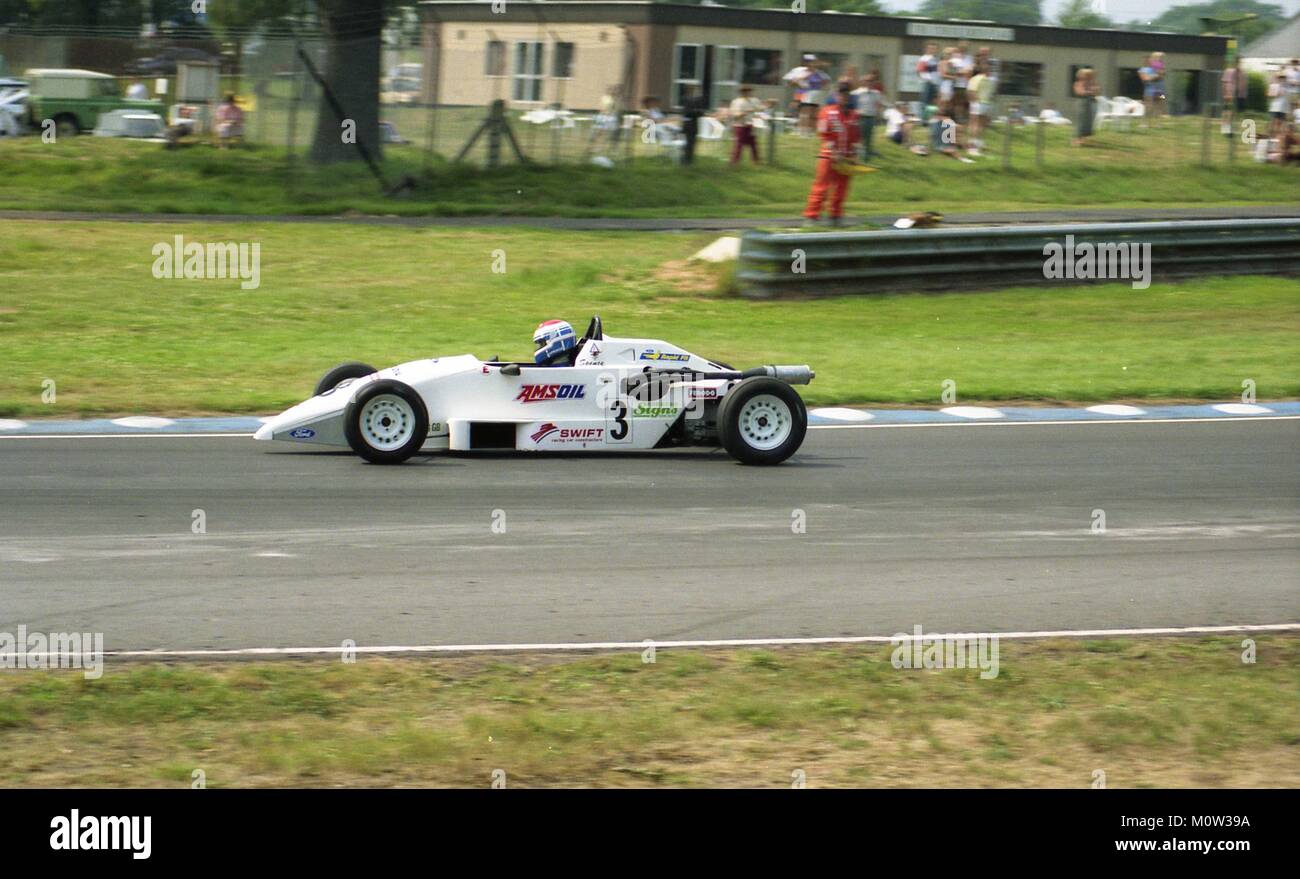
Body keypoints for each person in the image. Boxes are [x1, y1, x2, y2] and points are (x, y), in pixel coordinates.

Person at [802, 81, 859, 227]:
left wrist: (854, 154)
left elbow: (855, 137)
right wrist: (833, 151)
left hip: (845, 158)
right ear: (835, 94)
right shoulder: (826, 112)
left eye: (846, 94)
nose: (843, 97)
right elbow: (823, 134)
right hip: (828, 156)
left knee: (842, 188)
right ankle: (811, 216)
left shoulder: (853, 115)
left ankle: (836, 215)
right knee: (822, 186)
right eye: (840, 93)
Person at [852, 71, 884, 160]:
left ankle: (866, 158)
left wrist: (878, 117)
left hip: (871, 118)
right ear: (864, 82)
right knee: (859, 138)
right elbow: (852, 105)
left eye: (872, 81)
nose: (870, 82)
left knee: (868, 139)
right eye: (868, 81)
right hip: (860, 118)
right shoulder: (857, 93)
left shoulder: (877, 93)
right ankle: (857, 157)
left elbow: (878, 105)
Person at [728, 85, 762, 164]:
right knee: (739, 144)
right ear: (741, 92)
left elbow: (760, 108)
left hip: (749, 125)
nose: (748, 93)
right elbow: (735, 115)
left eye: (749, 91)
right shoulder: (736, 102)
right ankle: (734, 162)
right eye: (745, 91)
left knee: (753, 143)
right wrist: (746, 112)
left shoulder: (754, 100)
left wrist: (768, 104)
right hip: (739, 125)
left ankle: (756, 161)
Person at [966, 62, 994, 155]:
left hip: (978, 103)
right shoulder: (989, 81)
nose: (991, 71)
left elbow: (971, 91)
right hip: (985, 103)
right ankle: (978, 143)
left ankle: (973, 146)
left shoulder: (975, 79)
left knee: (974, 124)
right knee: (981, 124)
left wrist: (973, 101)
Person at [679, 84, 707, 165]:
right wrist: (698, 112)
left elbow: (700, 111)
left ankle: (689, 160)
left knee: (692, 143)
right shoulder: (686, 99)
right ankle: (685, 161)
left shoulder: (694, 100)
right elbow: (688, 112)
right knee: (688, 143)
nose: (695, 91)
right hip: (688, 124)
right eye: (694, 89)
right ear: (689, 90)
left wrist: (699, 111)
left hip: (693, 124)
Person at [1072, 67, 1099, 146]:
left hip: (1092, 103)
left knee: (1089, 121)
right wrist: (1090, 92)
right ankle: (1077, 139)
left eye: (1090, 75)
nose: (1088, 78)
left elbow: (1096, 91)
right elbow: (1080, 92)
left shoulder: (1093, 83)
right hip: (1082, 102)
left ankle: (1084, 138)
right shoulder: (1078, 83)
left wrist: (1090, 91)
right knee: (1081, 121)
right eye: (1086, 75)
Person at [916, 43, 940, 111]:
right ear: (927, 49)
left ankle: (928, 118)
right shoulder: (924, 59)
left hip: (934, 83)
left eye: (934, 49)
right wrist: (926, 79)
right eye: (931, 48)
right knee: (924, 102)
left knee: (932, 103)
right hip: (927, 83)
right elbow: (919, 71)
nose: (932, 50)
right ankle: (923, 118)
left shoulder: (936, 59)